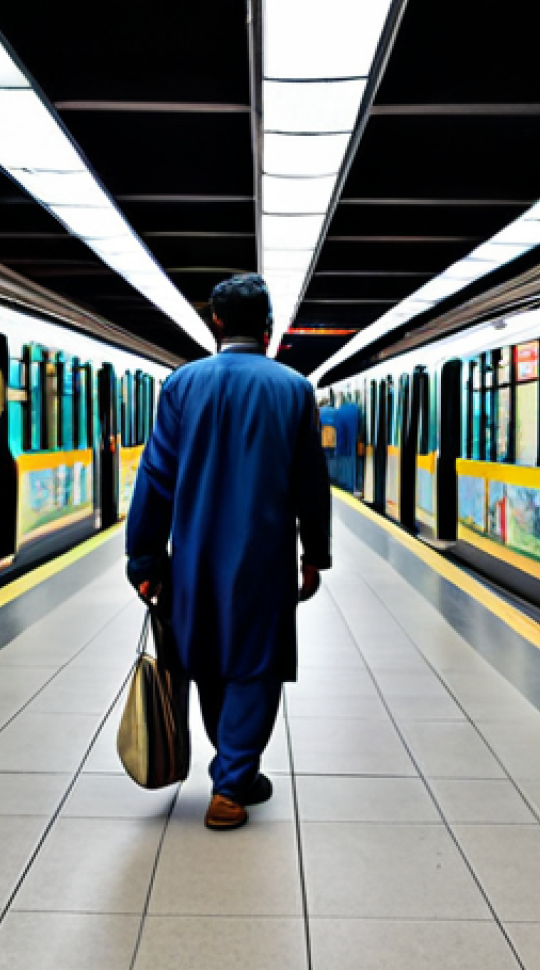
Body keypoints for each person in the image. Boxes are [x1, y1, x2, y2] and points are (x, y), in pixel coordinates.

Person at [125, 274, 332, 831]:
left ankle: (233, 770)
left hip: (193, 555)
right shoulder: (293, 389)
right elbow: (311, 482)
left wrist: (144, 558)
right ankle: (232, 781)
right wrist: (315, 553)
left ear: (215, 322)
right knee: (255, 665)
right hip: (263, 557)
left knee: (207, 659)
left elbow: (156, 477)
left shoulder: (182, 385)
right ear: (268, 327)